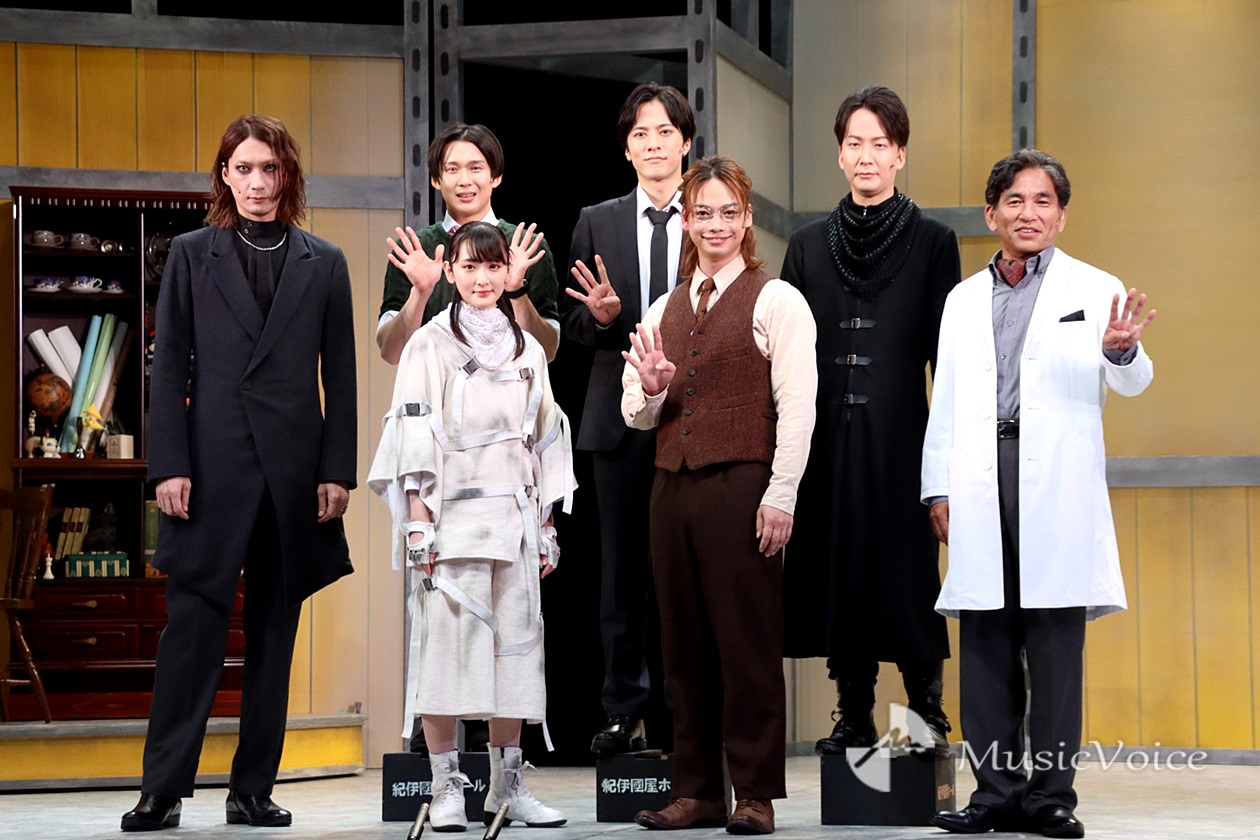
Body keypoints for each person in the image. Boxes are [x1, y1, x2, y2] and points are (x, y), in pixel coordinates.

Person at [122, 115, 357, 831]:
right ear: (224, 175)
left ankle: (252, 789)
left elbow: (341, 377)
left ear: (288, 176)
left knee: (273, 639)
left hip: (294, 475)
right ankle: (162, 790)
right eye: (244, 168)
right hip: (210, 471)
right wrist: (169, 465)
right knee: (190, 636)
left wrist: (337, 470)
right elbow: (168, 370)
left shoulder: (325, 261)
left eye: (270, 169)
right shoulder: (192, 255)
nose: (257, 182)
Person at [923, 150, 1155, 838]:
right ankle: (995, 794)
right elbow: (945, 399)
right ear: (991, 213)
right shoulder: (964, 299)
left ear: (1062, 215)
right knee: (985, 639)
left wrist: (1120, 350)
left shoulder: (1095, 286)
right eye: (1015, 201)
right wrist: (937, 487)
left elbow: (1134, 379)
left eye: (1043, 201)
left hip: (1055, 479)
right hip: (979, 472)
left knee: (1053, 645)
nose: (1029, 213)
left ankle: (1051, 796)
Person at [622, 157, 817, 835]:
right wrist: (652, 390)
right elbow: (635, 413)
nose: (715, 225)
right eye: (703, 212)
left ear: (747, 218)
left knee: (747, 644)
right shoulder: (664, 307)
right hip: (670, 486)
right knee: (682, 647)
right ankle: (697, 791)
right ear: (686, 220)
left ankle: (755, 794)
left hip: (741, 485)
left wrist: (781, 494)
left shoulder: (777, 300)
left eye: (728, 212)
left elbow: (798, 407)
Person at [368, 222, 577, 832]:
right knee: (446, 652)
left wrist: (545, 524)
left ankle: (506, 788)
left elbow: (544, 438)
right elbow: (413, 433)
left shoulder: (528, 349)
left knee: (514, 653)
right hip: (451, 521)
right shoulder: (428, 345)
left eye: (493, 267)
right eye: (470, 267)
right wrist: (418, 524)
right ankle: (446, 788)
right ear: (450, 272)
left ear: (509, 272)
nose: (482, 279)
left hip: (514, 521)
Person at [780, 86, 959, 753]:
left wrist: (946, 470)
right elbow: (788, 362)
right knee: (840, 572)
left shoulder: (934, 242)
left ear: (900, 155)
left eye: (879, 144)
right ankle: (853, 714)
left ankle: (926, 717)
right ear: (839, 154)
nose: (866, 156)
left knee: (908, 574)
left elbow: (948, 365)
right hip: (827, 442)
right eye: (854, 143)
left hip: (903, 439)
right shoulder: (806, 246)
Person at [561, 81, 695, 756]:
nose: (653, 143)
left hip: (693, 412)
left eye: (665, 131)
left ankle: (684, 712)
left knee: (686, 571)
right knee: (620, 572)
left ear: (686, 142)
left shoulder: (711, 213)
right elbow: (573, 320)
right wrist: (604, 318)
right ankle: (623, 709)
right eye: (641, 133)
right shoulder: (598, 220)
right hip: (617, 419)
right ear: (626, 149)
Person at [377, 123, 560, 365]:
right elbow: (390, 353)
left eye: (476, 168)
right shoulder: (414, 250)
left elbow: (547, 352)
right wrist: (420, 294)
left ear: (496, 176)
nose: (465, 181)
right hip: (432, 387)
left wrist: (516, 291)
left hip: (510, 387)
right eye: (452, 169)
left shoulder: (526, 247)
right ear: (436, 179)